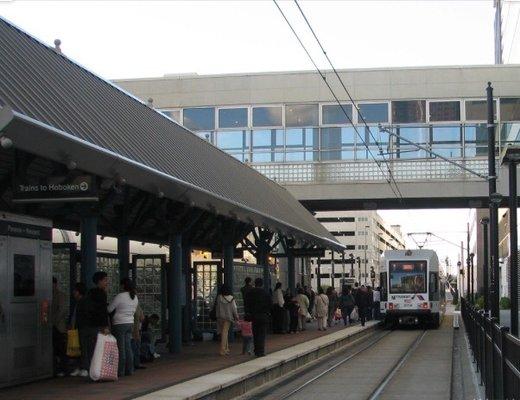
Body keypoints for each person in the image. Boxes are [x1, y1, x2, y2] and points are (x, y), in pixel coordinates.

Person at [108, 278, 139, 377]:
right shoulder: (135, 297)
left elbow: (109, 309)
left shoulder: (120, 296)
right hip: (130, 323)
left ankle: (120, 371)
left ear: (123, 286)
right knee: (128, 347)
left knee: (121, 348)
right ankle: (129, 370)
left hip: (119, 323)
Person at [84, 271, 110, 373]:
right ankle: (99, 371)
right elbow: (103, 311)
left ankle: (92, 370)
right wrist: (106, 326)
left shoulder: (90, 293)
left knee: (92, 349)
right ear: (99, 281)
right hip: (99, 325)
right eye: (105, 280)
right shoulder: (101, 294)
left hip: (90, 325)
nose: (107, 282)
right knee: (99, 349)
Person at [244, 278, 272, 357]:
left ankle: (256, 350)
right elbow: (270, 304)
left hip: (253, 316)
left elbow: (246, 304)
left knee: (255, 333)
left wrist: (249, 312)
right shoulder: (265, 293)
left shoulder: (250, 293)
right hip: (263, 316)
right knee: (262, 334)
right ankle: (261, 351)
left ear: (255, 284)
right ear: (262, 284)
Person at [69, 282, 89, 377]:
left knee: (83, 348)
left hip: (82, 328)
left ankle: (84, 367)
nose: (73, 293)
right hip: (79, 328)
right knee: (78, 348)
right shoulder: (80, 302)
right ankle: (80, 367)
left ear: (79, 292)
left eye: (75, 291)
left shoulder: (83, 302)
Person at [215, 284, 239, 356]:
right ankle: (223, 350)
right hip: (228, 317)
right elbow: (234, 309)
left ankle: (226, 348)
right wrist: (236, 316)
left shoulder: (219, 297)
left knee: (223, 332)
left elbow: (217, 307)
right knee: (225, 333)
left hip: (220, 317)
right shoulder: (231, 298)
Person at [51, 277, 67, 377]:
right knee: (53, 349)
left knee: (61, 349)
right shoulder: (48, 295)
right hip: (51, 326)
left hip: (58, 327)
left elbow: (62, 310)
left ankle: (63, 369)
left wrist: (53, 322)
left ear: (55, 284)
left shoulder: (60, 295)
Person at [132, 304, 146, 370]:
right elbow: (142, 318)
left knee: (132, 347)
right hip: (137, 329)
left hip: (131, 329)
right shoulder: (137, 306)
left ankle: (131, 364)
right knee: (137, 347)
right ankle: (136, 363)